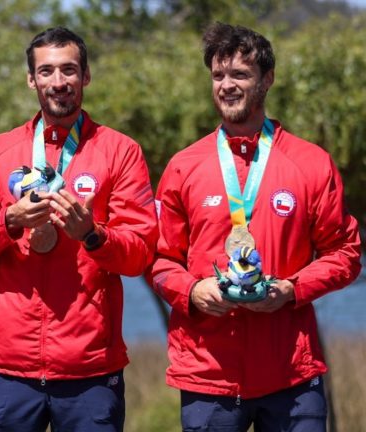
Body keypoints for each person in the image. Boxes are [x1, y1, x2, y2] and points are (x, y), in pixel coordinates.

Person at [150, 23, 362, 431]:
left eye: (240, 75)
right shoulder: (183, 165)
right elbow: (159, 259)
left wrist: (292, 290)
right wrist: (191, 291)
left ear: (268, 79)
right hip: (208, 373)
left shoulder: (311, 162)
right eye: (218, 76)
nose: (226, 86)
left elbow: (346, 253)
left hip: (291, 374)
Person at [0, 27, 158, 431]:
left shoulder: (121, 151)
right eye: (46, 71)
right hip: (7, 367)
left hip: (89, 367)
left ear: (85, 76)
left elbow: (140, 254)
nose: (58, 82)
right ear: (32, 79)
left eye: (69, 70)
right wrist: (9, 221)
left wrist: (93, 235)